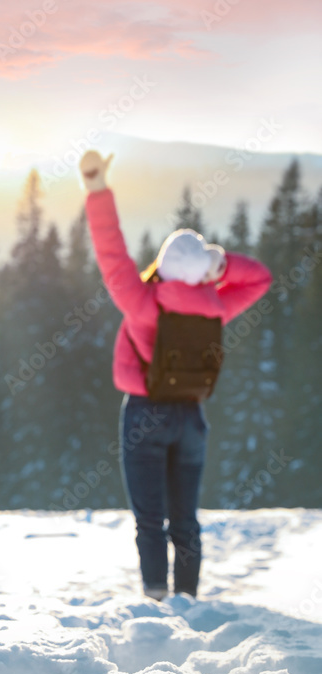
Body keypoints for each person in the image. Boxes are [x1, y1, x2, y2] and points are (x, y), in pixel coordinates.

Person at [79, 149, 272, 601]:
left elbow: (111, 251)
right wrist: (220, 264)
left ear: (163, 266)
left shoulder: (141, 302)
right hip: (191, 417)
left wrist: (97, 189)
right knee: (185, 520)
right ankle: (187, 599)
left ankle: (155, 597)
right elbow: (259, 278)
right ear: (202, 270)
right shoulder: (215, 308)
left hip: (144, 414)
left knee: (150, 519)